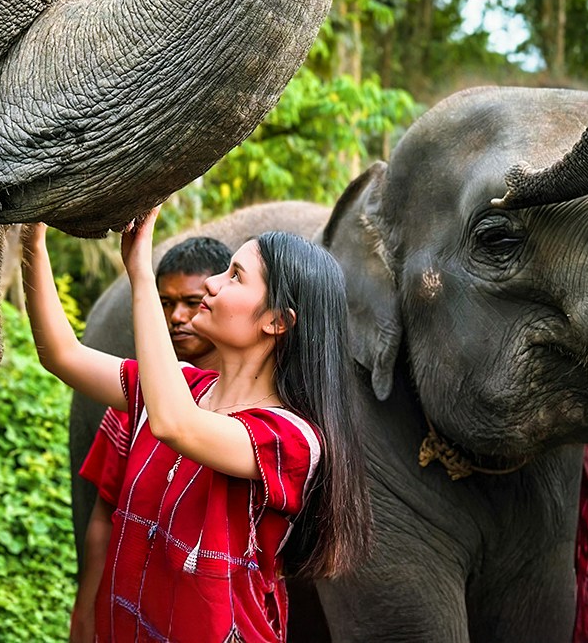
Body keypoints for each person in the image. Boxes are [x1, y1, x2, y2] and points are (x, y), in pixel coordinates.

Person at [23, 208, 370, 642]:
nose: (211, 283)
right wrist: (31, 241)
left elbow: (175, 425)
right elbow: (62, 355)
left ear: (277, 321)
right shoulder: (185, 387)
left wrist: (142, 276)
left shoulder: (291, 440)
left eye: (235, 276)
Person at [70, 236, 233, 643]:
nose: (177, 317)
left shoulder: (254, 413)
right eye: (165, 302)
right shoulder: (134, 401)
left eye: (192, 302)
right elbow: (103, 517)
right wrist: (86, 610)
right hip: (137, 610)